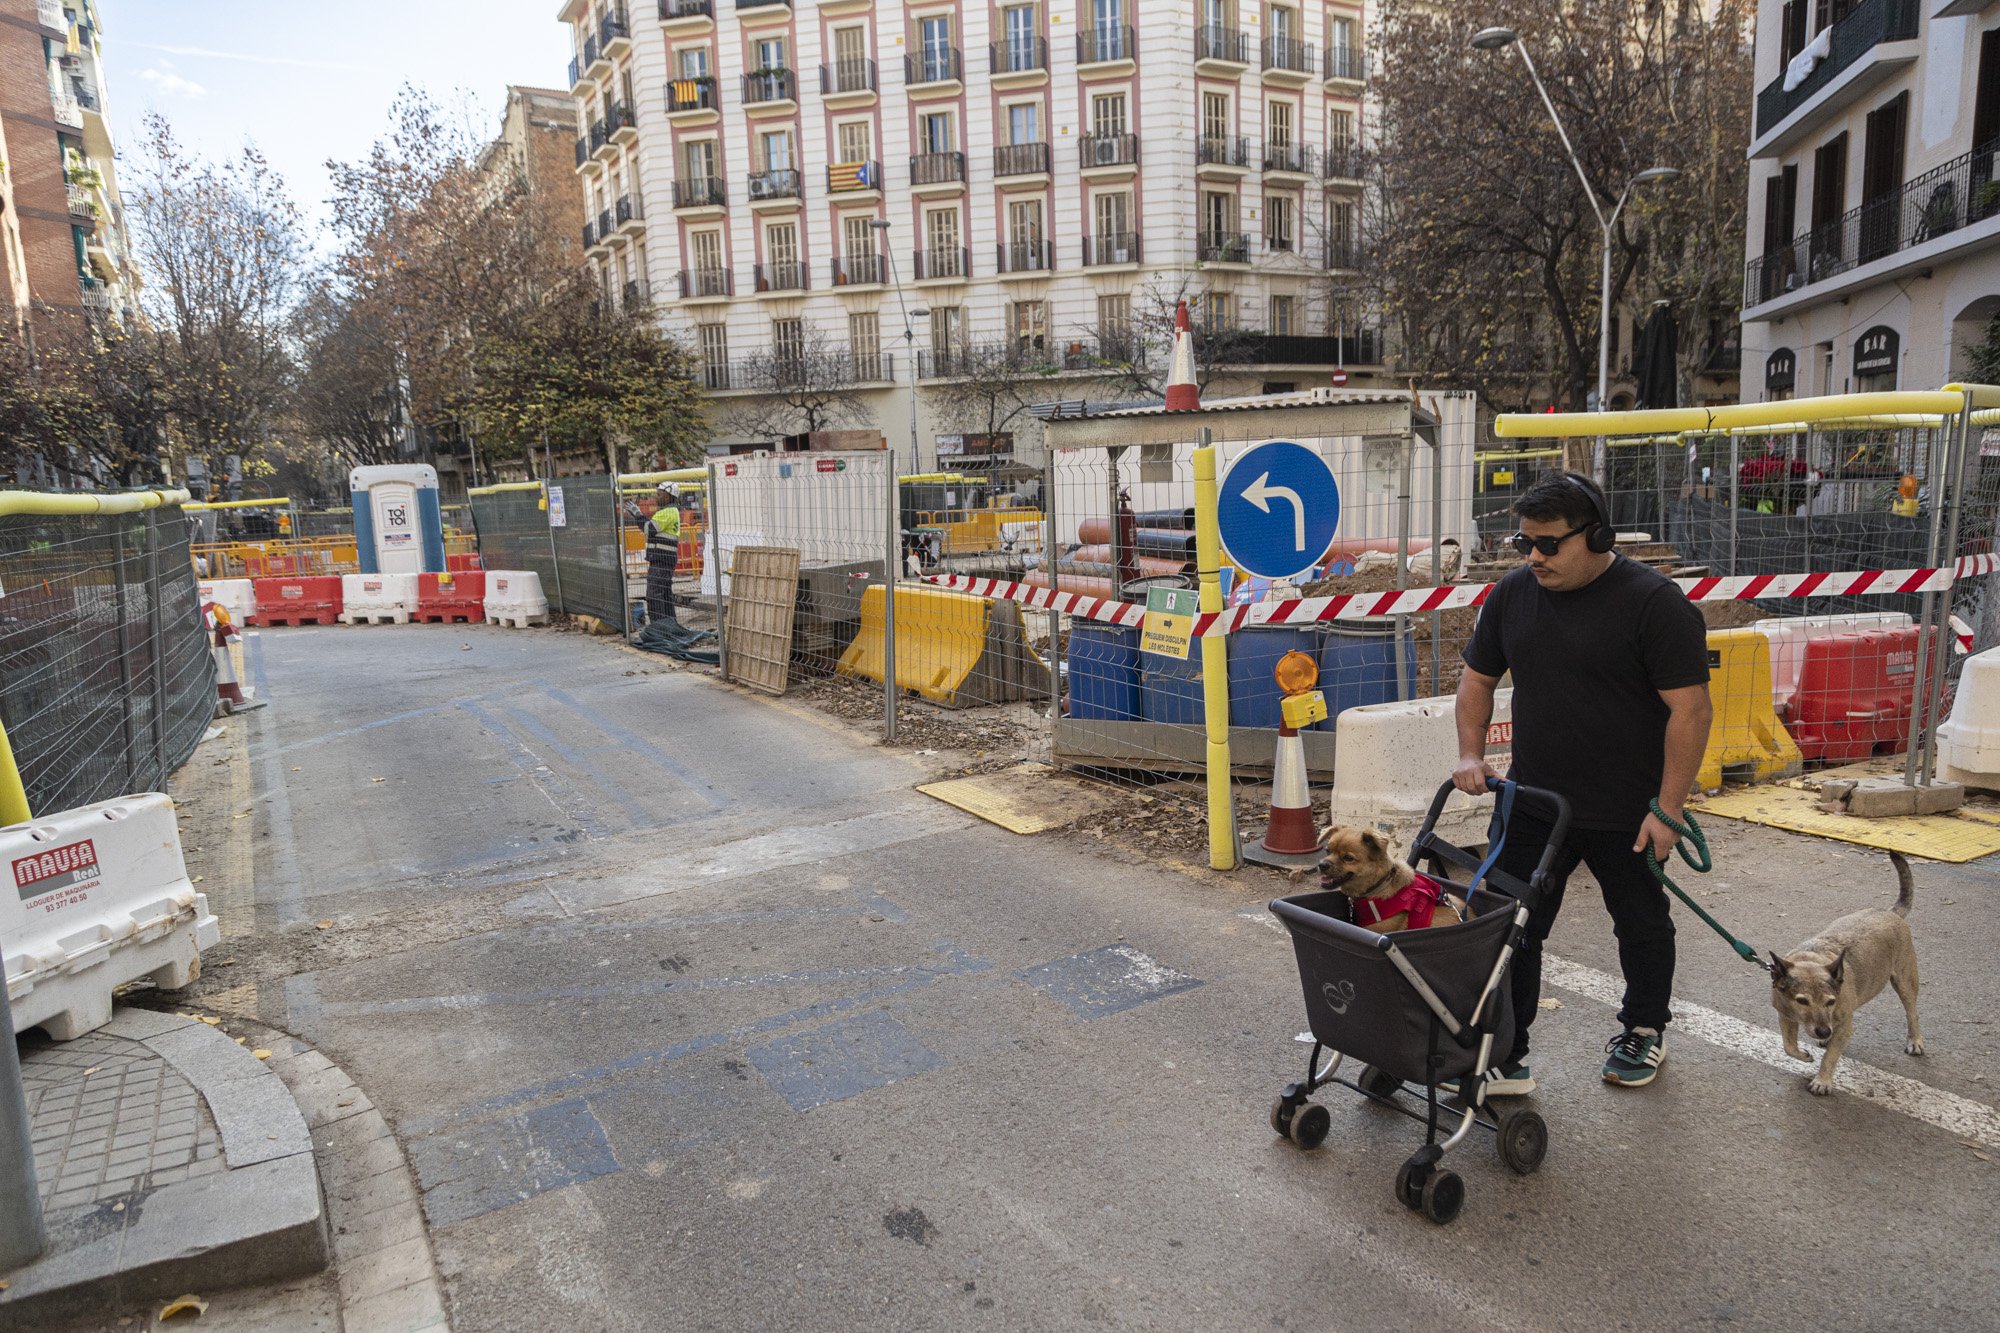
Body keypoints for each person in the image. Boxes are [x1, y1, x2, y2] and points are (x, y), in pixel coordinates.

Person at [1452, 472, 1713, 1092]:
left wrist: (1669, 810)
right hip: (1535, 800)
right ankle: (1503, 1053)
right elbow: (1477, 680)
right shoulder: (1512, 596)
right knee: (1512, 923)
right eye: (1524, 545)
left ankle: (1644, 1030)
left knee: (1640, 922)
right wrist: (1469, 754)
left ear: (1596, 535)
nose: (1534, 557)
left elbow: (1692, 710)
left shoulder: (1654, 604)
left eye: (1548, 544)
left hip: (1629, 806)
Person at [644, 483, 681, 625]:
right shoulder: (670, 511)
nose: (656, 497)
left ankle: (659, 628)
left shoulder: (667, 512)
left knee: (654, 594)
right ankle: (669, 625)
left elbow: (649, 529)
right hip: (664, 559)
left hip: (661, 559)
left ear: (669, 496)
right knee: (664, 594)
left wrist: (637, 515)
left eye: (660, 494)